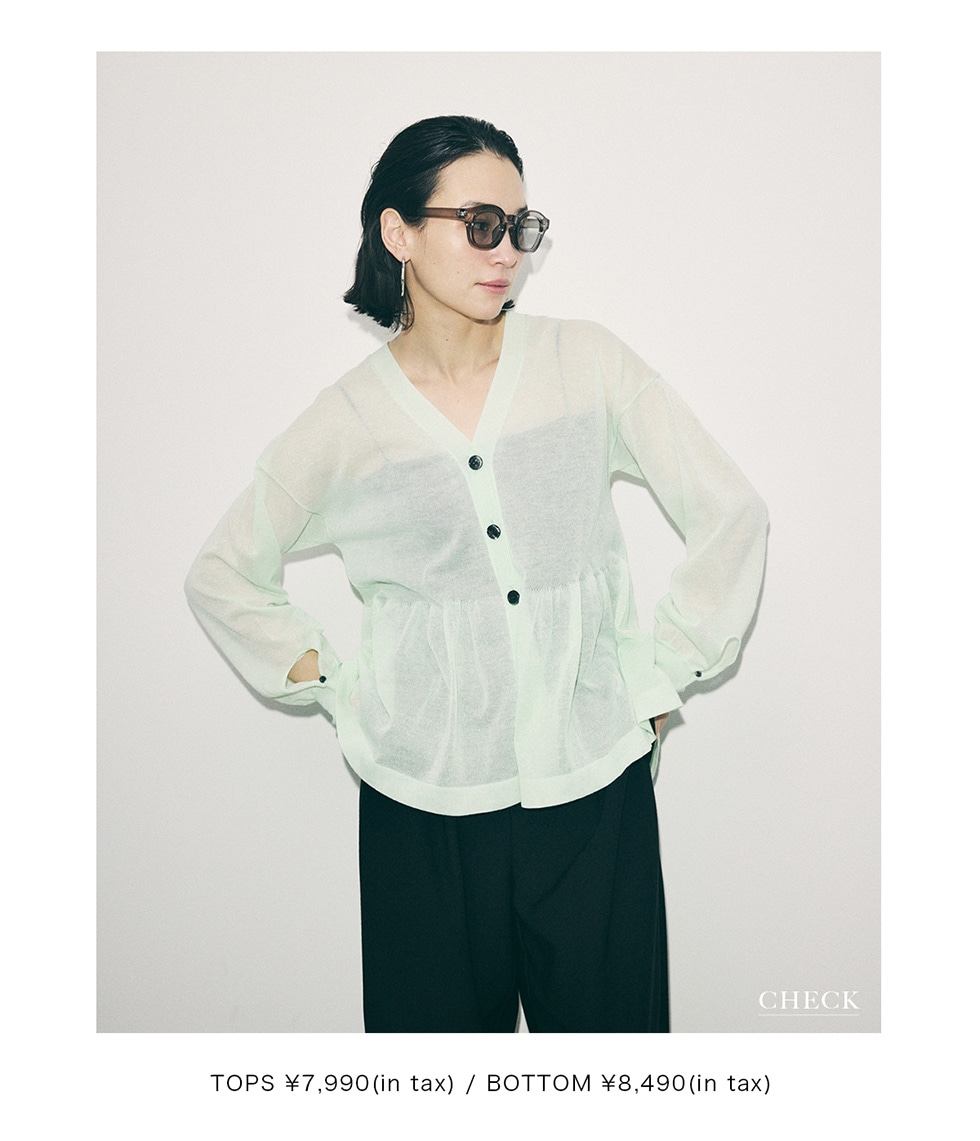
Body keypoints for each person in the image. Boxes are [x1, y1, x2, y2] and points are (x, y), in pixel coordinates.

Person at [185, 115, 768, 1033]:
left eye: (521, 227)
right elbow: (222, 573)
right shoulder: (347, 424)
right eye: (481, 224)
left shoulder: (585, 365)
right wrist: (340, 687)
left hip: (593, 790)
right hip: (424, 808)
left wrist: (661, 675)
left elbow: (732, 512)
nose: (507, 252)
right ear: (398, 232)